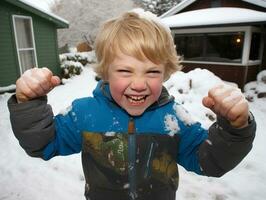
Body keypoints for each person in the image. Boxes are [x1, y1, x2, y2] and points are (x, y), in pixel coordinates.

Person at [8, 9, 256, 200]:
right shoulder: (85, 113)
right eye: (125, 70)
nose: (139, 84)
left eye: (151, 71)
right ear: (106, 71)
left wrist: (235, 129)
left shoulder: (173, 118)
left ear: (166, 72)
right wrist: (28, 104)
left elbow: (209, 161)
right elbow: (43, 144)